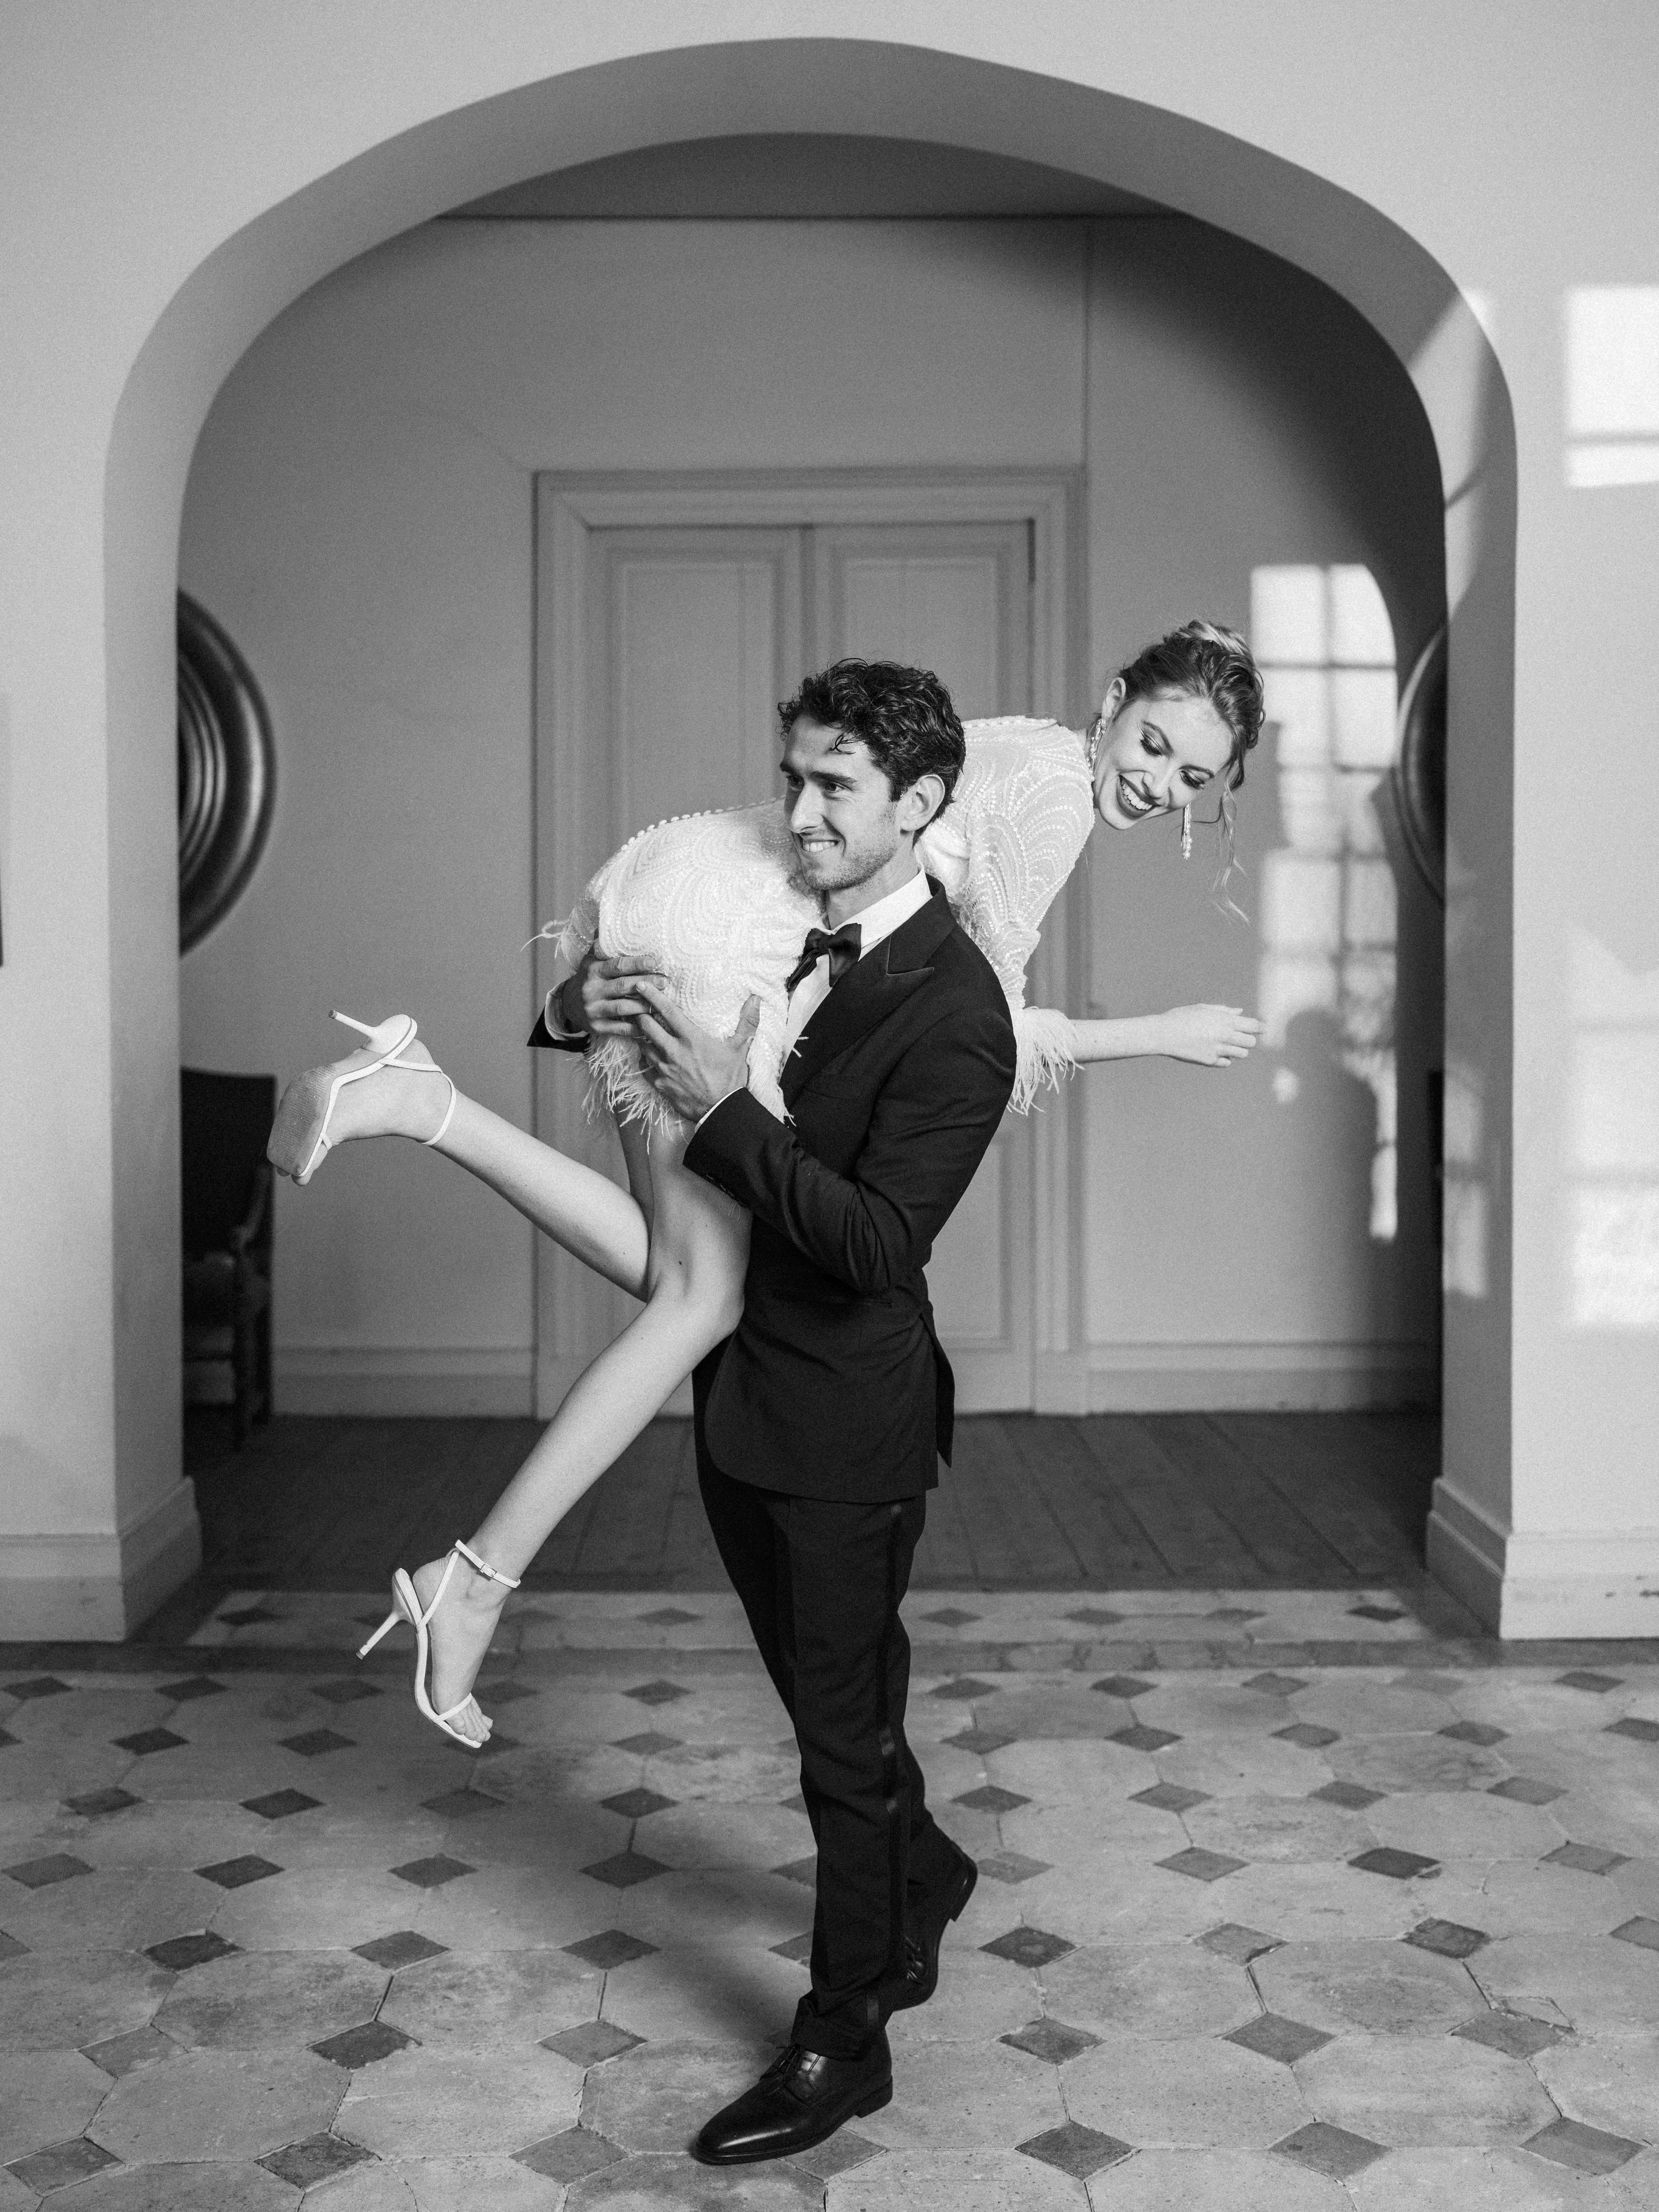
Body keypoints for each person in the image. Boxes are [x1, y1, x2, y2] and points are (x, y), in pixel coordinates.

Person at [268, 624, 1266, 1761]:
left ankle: (418, 1104)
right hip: (730, 931)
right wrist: (1159, 1034)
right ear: (1111, 702)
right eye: (1150, 742)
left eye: (1191, 778)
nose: (1155, 782)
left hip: (679, 878)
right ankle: (477, 1582)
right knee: (702, 1301)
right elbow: (980, 1017)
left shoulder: (1036, 750)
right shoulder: (1058, 798)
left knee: (679, 1277)